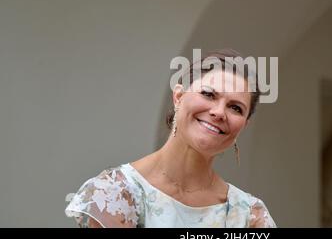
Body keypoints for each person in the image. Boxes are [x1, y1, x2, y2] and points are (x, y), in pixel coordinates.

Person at [65, 49, 276, 228]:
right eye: (209, 94)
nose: (219, 112)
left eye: (235, 108)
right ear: (179, 96)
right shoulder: (114, 194)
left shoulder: (251, 216)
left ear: (244, 125)